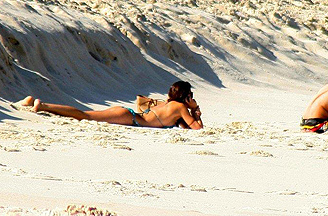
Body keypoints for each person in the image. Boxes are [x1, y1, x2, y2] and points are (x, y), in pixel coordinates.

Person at [16, 81, 203, 130]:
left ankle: (33, 102)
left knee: (86, 114)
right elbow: (197, 128)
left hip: (128, 113)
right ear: (185, 96)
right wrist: (194, 109)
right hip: (129, 118)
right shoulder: (180, 108)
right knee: (85, 115)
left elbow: (182, 125)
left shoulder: (167, 103)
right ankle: (43, 106)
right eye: (190, 95)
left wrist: (191, 114)